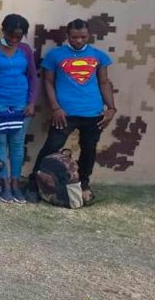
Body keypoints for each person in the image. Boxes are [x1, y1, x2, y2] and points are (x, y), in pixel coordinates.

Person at [27, 19, 116, 204]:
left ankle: (83, 185)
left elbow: (104, 82)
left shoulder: (99, 56)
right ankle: (34, 185)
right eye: (74, 37)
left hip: (93, 113)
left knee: (89, 150)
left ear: (89, 35)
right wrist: (56, 108)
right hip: (65, 114)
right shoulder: (55, 55)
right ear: (68, 36)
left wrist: (111, 108)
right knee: (51, 147)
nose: (79, 41)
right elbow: (48, 83)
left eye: (83, 37)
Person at [0, 14, 38, 204]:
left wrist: (31, 102)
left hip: (21, 105)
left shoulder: (25, 50)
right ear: (3, 30)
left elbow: (33, 77)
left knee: (17, 145)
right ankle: (4, 184)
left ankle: (15, 183)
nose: (14, 40)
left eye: (19, 36)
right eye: (11, 35)